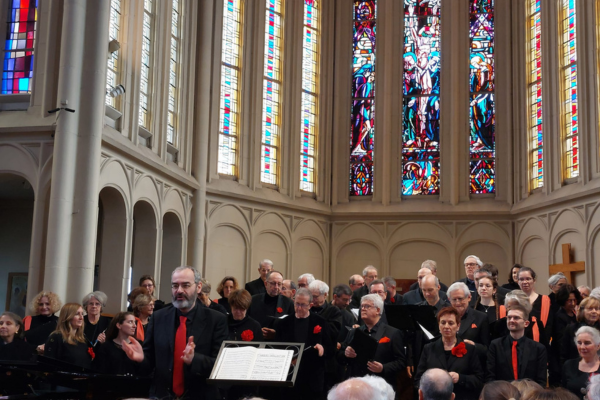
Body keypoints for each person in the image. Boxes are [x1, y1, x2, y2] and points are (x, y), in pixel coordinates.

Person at [123, 266, 228, 400]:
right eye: (175, 286)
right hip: (162, 396)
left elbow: (220, 365)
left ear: (199, 287)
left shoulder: (216, 320)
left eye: (185, 285)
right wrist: (141, 359)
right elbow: (149, 365)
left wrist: (194, 360)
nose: (179, 291)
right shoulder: (158, 317)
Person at [274, 288, 333, 400]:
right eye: (297, 304)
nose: (299, 308)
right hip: (290, 376)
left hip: (312, 378)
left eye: (303, 305)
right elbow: (277, 348)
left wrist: (322, 349)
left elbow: (331, 349)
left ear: (310, 305)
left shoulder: (320, 322)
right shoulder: (283, 323)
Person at [415, 307, 483, 400]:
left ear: (458, 326)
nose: (446, 326)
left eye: (451, 323)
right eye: (443, 323)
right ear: (439, 325)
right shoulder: (429, 348)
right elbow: (418, 378)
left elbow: (478, 380)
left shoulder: (469, 349)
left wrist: (460, 378)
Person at [339, 294, 406, 387]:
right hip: (357, 384)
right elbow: (340, 356)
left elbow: (401, 361)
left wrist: (383, 367)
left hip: (381, 384)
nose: (363, 309)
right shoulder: (354, 332)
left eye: (367, 306)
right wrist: (345, 354)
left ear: (378, 310)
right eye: (361, 306)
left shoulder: (393, 333)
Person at [486, 305, 547, 385]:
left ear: (526, 323)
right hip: (503, 394)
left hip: (529, 394)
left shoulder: (538, 348)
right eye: (509, 317)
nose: (511, 320)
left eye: (516, 318)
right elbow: (490, 376)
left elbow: (541, 381)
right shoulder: (495, 345)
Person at [247, 270, 294, 339]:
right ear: (266, 284)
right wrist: (257, 331)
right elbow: (247, 321)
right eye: (273, 283)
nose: (276, 287)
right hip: (256, 340)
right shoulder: (253, 300)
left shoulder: (288, 303)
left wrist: (276, 334)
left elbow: (291, 326)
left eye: (279, 284)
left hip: (277, 343)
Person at [550, 284, 581, 386]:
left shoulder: (574, 315)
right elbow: (561, 342)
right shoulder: (559, 316)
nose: (573, 303)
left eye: (574, 300)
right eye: (569, 300)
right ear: (563, 300)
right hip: (561, 358)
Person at [44, 303, 93, 369]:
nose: (81, 317)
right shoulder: (56, 337)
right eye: (77, 314)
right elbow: (49, 365)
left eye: (82, 314)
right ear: (67, 317)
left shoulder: (83, 339)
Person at [446, 283, 489, 350]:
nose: (457, 303)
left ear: (469, 297)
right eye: (454, 299)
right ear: (449, 299)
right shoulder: (444, 317)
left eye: (460, 299)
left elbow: (486, 349)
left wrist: (474, 346)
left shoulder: (481, 318)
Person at [561, 326, 600, 399]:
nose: (582, 347)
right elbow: (564, 393)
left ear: (598, 346)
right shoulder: (569, 365)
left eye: (587, 343)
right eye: (579, 343)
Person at [561, 296, 600, 364]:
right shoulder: (571, 329)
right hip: (576, 369)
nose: (594, 311)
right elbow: (564, 354)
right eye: (590, 309)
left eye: (597, 309)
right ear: (582, 311)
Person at [518, 267, 553, 339]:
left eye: (528, 279)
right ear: (518, 282)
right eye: (521, 279)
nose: (525, 282)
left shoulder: (545, 300)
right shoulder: (514, 301)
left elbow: (549, 325)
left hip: (541, 341)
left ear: (534, 280)